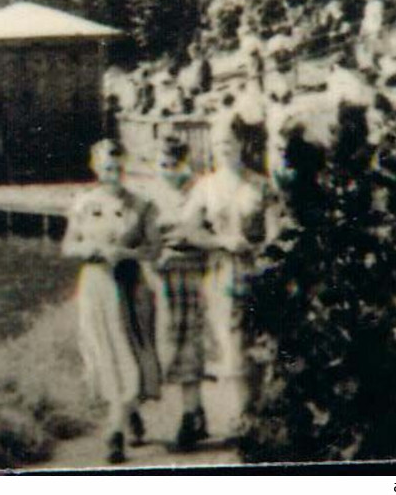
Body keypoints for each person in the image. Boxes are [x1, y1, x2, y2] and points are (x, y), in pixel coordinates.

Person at [62, 139, 162, 465]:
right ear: (96, 168)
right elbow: (68, 246)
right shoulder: (84, 203)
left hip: (130, 284)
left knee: (129, 351)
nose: (113, 174)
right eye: (106, 168)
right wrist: (90, 250)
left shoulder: (141, 205)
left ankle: (115, 432)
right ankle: (124, 413)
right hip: (95, 284)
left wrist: (126, 253)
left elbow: (154, 249)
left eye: (118, 168)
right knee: (104, 352)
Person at [182, 124, 269, 412]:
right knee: (230, 341)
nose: (224, 148)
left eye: (229, 142)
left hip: (258, 270)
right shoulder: (205, 186)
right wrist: (220, 240)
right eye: (219, 144)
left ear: (241, 143)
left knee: (259, 340)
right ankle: (239, 414)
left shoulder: (260, 184)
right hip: (222, 270)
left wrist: (261, 249)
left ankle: (260, 411)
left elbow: (276, 231)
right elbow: (190, 230)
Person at [150, 137, 208, 451]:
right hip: (161, 272)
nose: (169, 172)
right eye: (163, 165)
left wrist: (177, 233)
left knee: (190, 340)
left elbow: (199, 230)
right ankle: (195, 408)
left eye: (175, 165)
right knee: (165, 341)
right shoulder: (152, 193)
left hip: (192, 270)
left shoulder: (198, 190)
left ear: (185, 163)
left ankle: (189, 416)